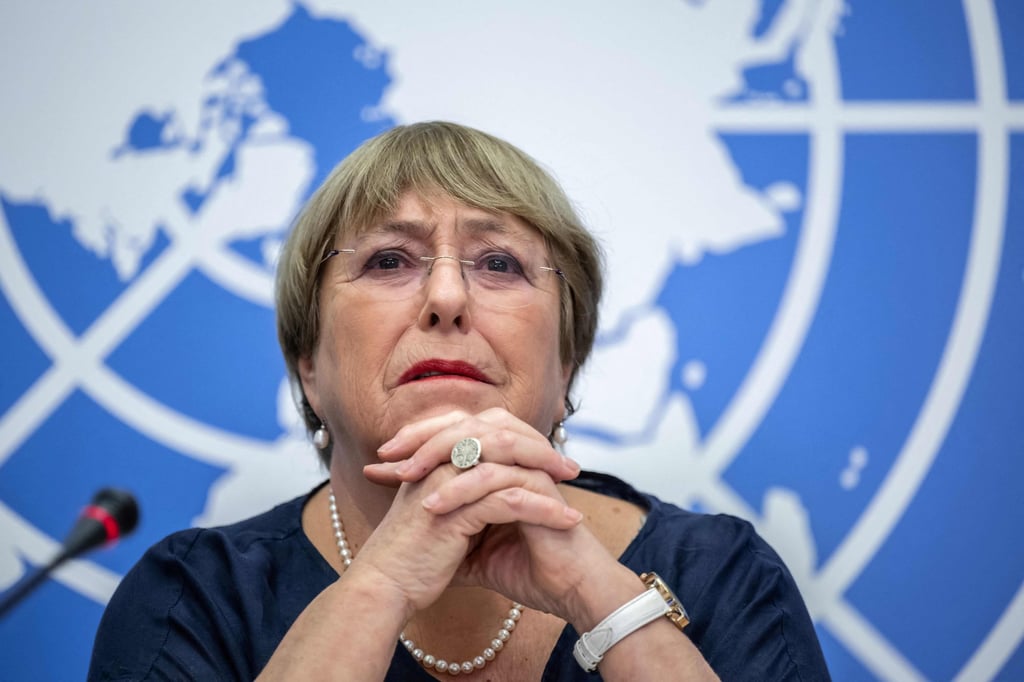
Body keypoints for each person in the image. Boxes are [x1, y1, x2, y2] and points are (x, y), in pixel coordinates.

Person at [89, 121, 830, 680]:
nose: (446, 296)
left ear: (567, 361)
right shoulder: (193, 597)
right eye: (388, 260)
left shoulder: (724, 574)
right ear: (307, 364)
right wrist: (380, 585)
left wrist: (595, 593)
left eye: (499, 264)